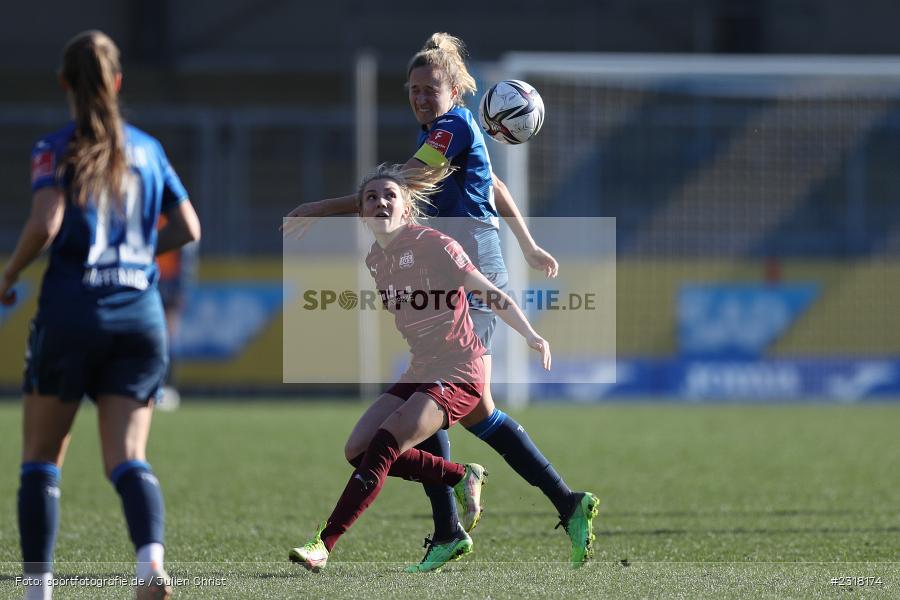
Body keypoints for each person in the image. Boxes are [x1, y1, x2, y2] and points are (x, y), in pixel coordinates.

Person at [284, 33, 597, 570]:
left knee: (437, 395)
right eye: (413, 90)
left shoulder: (452, 126)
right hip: (453, 268)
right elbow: (492, 181)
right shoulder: (447, 129)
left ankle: (452, 523)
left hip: (467, 272)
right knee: (476, 411)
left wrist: (324, 207)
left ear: (455, 89)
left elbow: (398, 185)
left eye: (430, 89)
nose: (421, 98)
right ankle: (562, 504)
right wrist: (526, 242)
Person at [0, 30, 201, 600]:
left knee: (40, 460)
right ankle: (149, 567)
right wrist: (138, 256)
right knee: (128, 457)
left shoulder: (55, 146)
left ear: (65, 83)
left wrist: (10, 273)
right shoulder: (147, 148)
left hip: (71, 315)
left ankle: (38, 591)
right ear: (117, 82)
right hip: (139, 318)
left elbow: (46, 223)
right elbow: (189, 228)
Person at [289, 164, 551, 572]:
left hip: (460, 368)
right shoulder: (376, 258)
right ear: (362, 213)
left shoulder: (435, 244)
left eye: (390, 195)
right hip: (421, 369)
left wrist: (531, 334)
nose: (380, 202)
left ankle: (324, 543)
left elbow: (491, 293)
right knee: (356, 450)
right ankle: (461, 475)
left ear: (407, 208)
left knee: (385, 444)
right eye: (371, 197)